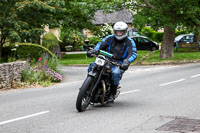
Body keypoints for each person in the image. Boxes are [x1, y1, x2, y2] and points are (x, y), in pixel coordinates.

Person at [87, 21, 137, 102]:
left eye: (121, 32)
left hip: (119, 63)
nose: (119, 33)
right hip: (105, 59)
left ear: (125, 31)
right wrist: (94, 50)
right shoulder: (109, 38)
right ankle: (88, 86)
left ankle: (112, 94)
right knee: (92, 66)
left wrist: (127, 61)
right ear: (114, 31)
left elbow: (133, 53)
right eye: (117, 31)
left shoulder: (130, 42)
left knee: (116, 73)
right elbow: (100, 44)